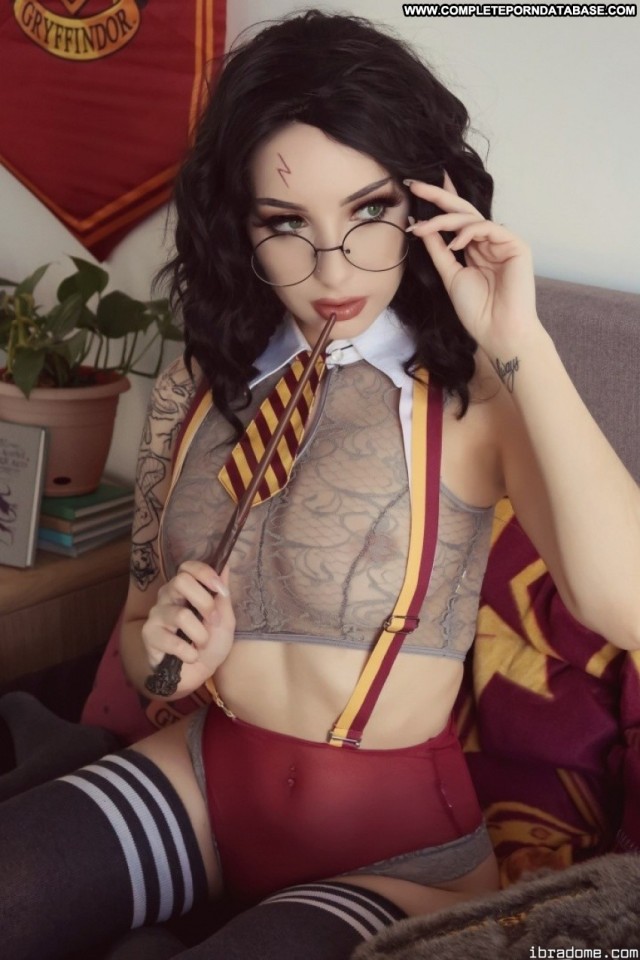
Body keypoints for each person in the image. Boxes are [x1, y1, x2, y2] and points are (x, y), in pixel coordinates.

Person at [2, 9, 639, 960]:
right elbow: (140, 641)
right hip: (200, 786)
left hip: (397, 857)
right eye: (288, 224)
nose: (333, 267)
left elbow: (626, 603)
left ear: (424, 204)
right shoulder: (192, 392)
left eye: (370, 212)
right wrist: (168, 656)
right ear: (239, 224)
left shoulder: (472, 400)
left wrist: (522, 343)